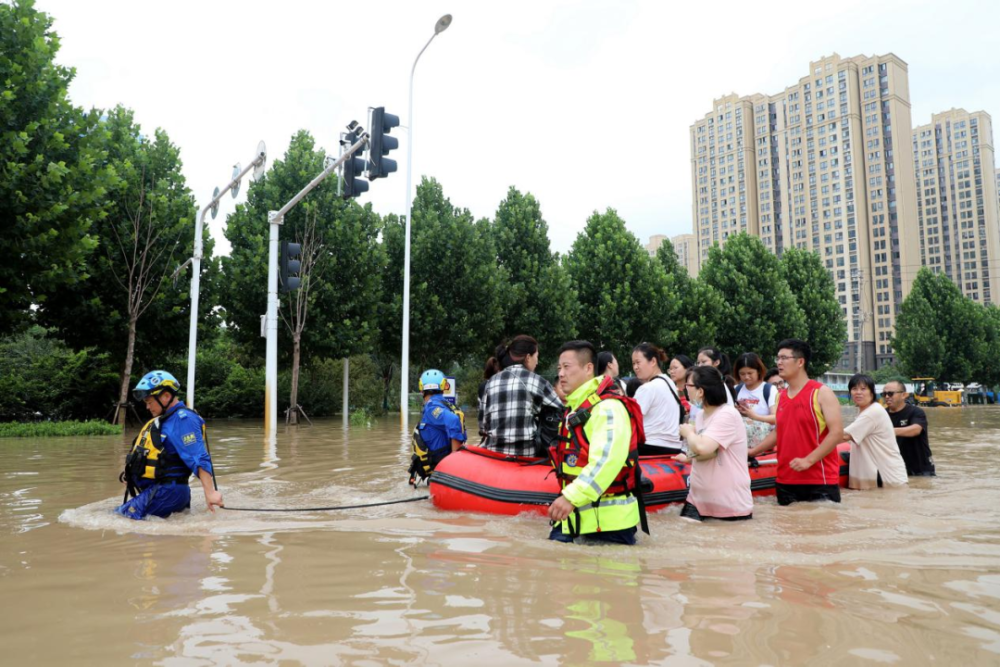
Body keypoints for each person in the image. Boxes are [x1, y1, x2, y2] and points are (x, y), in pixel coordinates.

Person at [548, 340, 643, 545]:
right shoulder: (575, 408)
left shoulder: (607, 408)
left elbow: (606, 461)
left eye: (567, 367)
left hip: (608, 525)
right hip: (572, 520)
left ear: (588, 368)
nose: (561, 374)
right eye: (559, 368)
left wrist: (570, 497)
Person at [747, 339, 844, 506]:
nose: (779, 362)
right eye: (777, 358)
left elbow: (836, 434)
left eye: (784, 358)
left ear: (800, 362)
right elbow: (779, 432)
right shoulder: (781, 396)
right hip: (785, 480)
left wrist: (809, 460)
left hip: (819, 481)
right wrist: (752, 452)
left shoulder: (821, 393)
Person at [118, 370, 224, 520]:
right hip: (159, 490)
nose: (147, 407)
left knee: (118, 519)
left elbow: (198, 456)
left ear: (166, 396)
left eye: (149, 402)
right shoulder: (166, 420)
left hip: (167, 492)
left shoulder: (183, 419)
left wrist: (210, 493)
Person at [675, 366, 752, 521]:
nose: (684, 390)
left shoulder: (727, 414)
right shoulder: (701, 415)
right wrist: (688, 458)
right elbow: (710, 451)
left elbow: (704, 447)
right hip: (697, 499)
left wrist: (689, 433)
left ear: (700, 391)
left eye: (687, 386)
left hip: (728, 504)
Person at [480, 335, 563, 457]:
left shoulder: (490, 382)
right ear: (528, 357)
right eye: (536, 357)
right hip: (526, 454)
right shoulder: (537, 381)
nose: (537, 362)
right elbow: (561, 410)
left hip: (493, 454)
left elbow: (482, 426)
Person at [842, 374, 908, 490]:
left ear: (872, 393)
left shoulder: (872, 413)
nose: (858, 392)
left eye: (863, 389)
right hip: (886, 478)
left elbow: (842, 436)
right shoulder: (866, 412)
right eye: (854, 389)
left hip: (884, 479)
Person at [408, 369, 467, 485]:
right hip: (443, 470)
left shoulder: (432, 407)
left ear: (421, 388)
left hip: (442, 471)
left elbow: (453, 420)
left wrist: (454, 461)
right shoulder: (447, 405)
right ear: (444, 385)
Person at [631, 342, 685, 455]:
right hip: (674, 448)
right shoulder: (670, 384)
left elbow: (630, 420)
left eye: (638, 362)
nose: (635, 367)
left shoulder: (648, 388)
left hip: (648, 448)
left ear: (653, 361)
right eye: (633, 363)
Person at [883, 378, 936, 476]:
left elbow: (916, 430)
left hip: (921, 468)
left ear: (904, 395)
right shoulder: (882, 415)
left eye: (890, 393)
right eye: (884, 394)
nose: (887, 397)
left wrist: (889, 431)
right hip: (897, 469)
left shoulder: (916, 412)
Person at [733, 352, 778, 445]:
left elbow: (776, 418)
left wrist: (754, 416)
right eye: (742, 374)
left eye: (750, 373)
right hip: (741, 442)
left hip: (764, 442)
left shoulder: (769, 390)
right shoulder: (736, 389)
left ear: (758, 371)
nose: (746, 377)